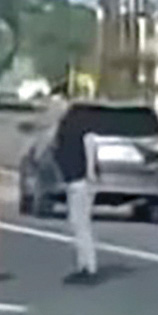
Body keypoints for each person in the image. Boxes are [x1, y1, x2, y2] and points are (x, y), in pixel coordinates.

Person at [52, 104, 97, 281]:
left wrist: (90, 173)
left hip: (80, 182)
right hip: (77, 182)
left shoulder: (75, 134)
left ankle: (88, 267)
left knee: (81, 225)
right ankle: (83, 264)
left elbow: (88, 155)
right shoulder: (83, 134)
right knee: (78, 224)